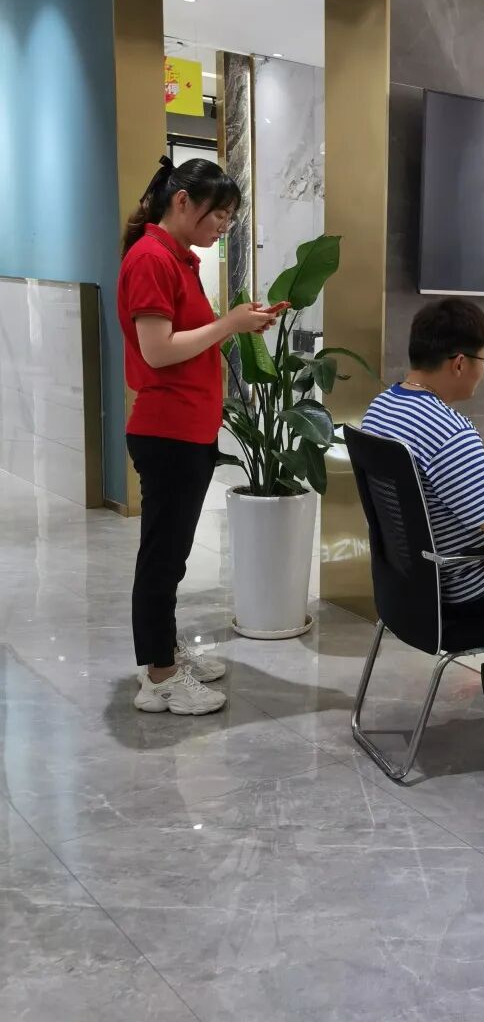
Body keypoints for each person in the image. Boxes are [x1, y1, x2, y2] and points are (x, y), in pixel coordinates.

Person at [120, 156, 287, 715]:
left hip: (186, 429)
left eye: (230, 218)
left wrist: (242, 321)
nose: (223, 226)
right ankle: (160, 677)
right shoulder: (151, 258)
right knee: (163, 557)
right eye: (219, 214)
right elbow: (158, 350)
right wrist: (230, 324)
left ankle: (164, 653)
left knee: (171, 554)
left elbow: (188, 335)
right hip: (167, 431)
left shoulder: (177, 258)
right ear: (182, 201)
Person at [359, 297, 484, 727]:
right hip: (465, 589)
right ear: (459, 363)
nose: (483, 372)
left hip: (405, 590)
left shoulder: (381, 408)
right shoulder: (450, 432)